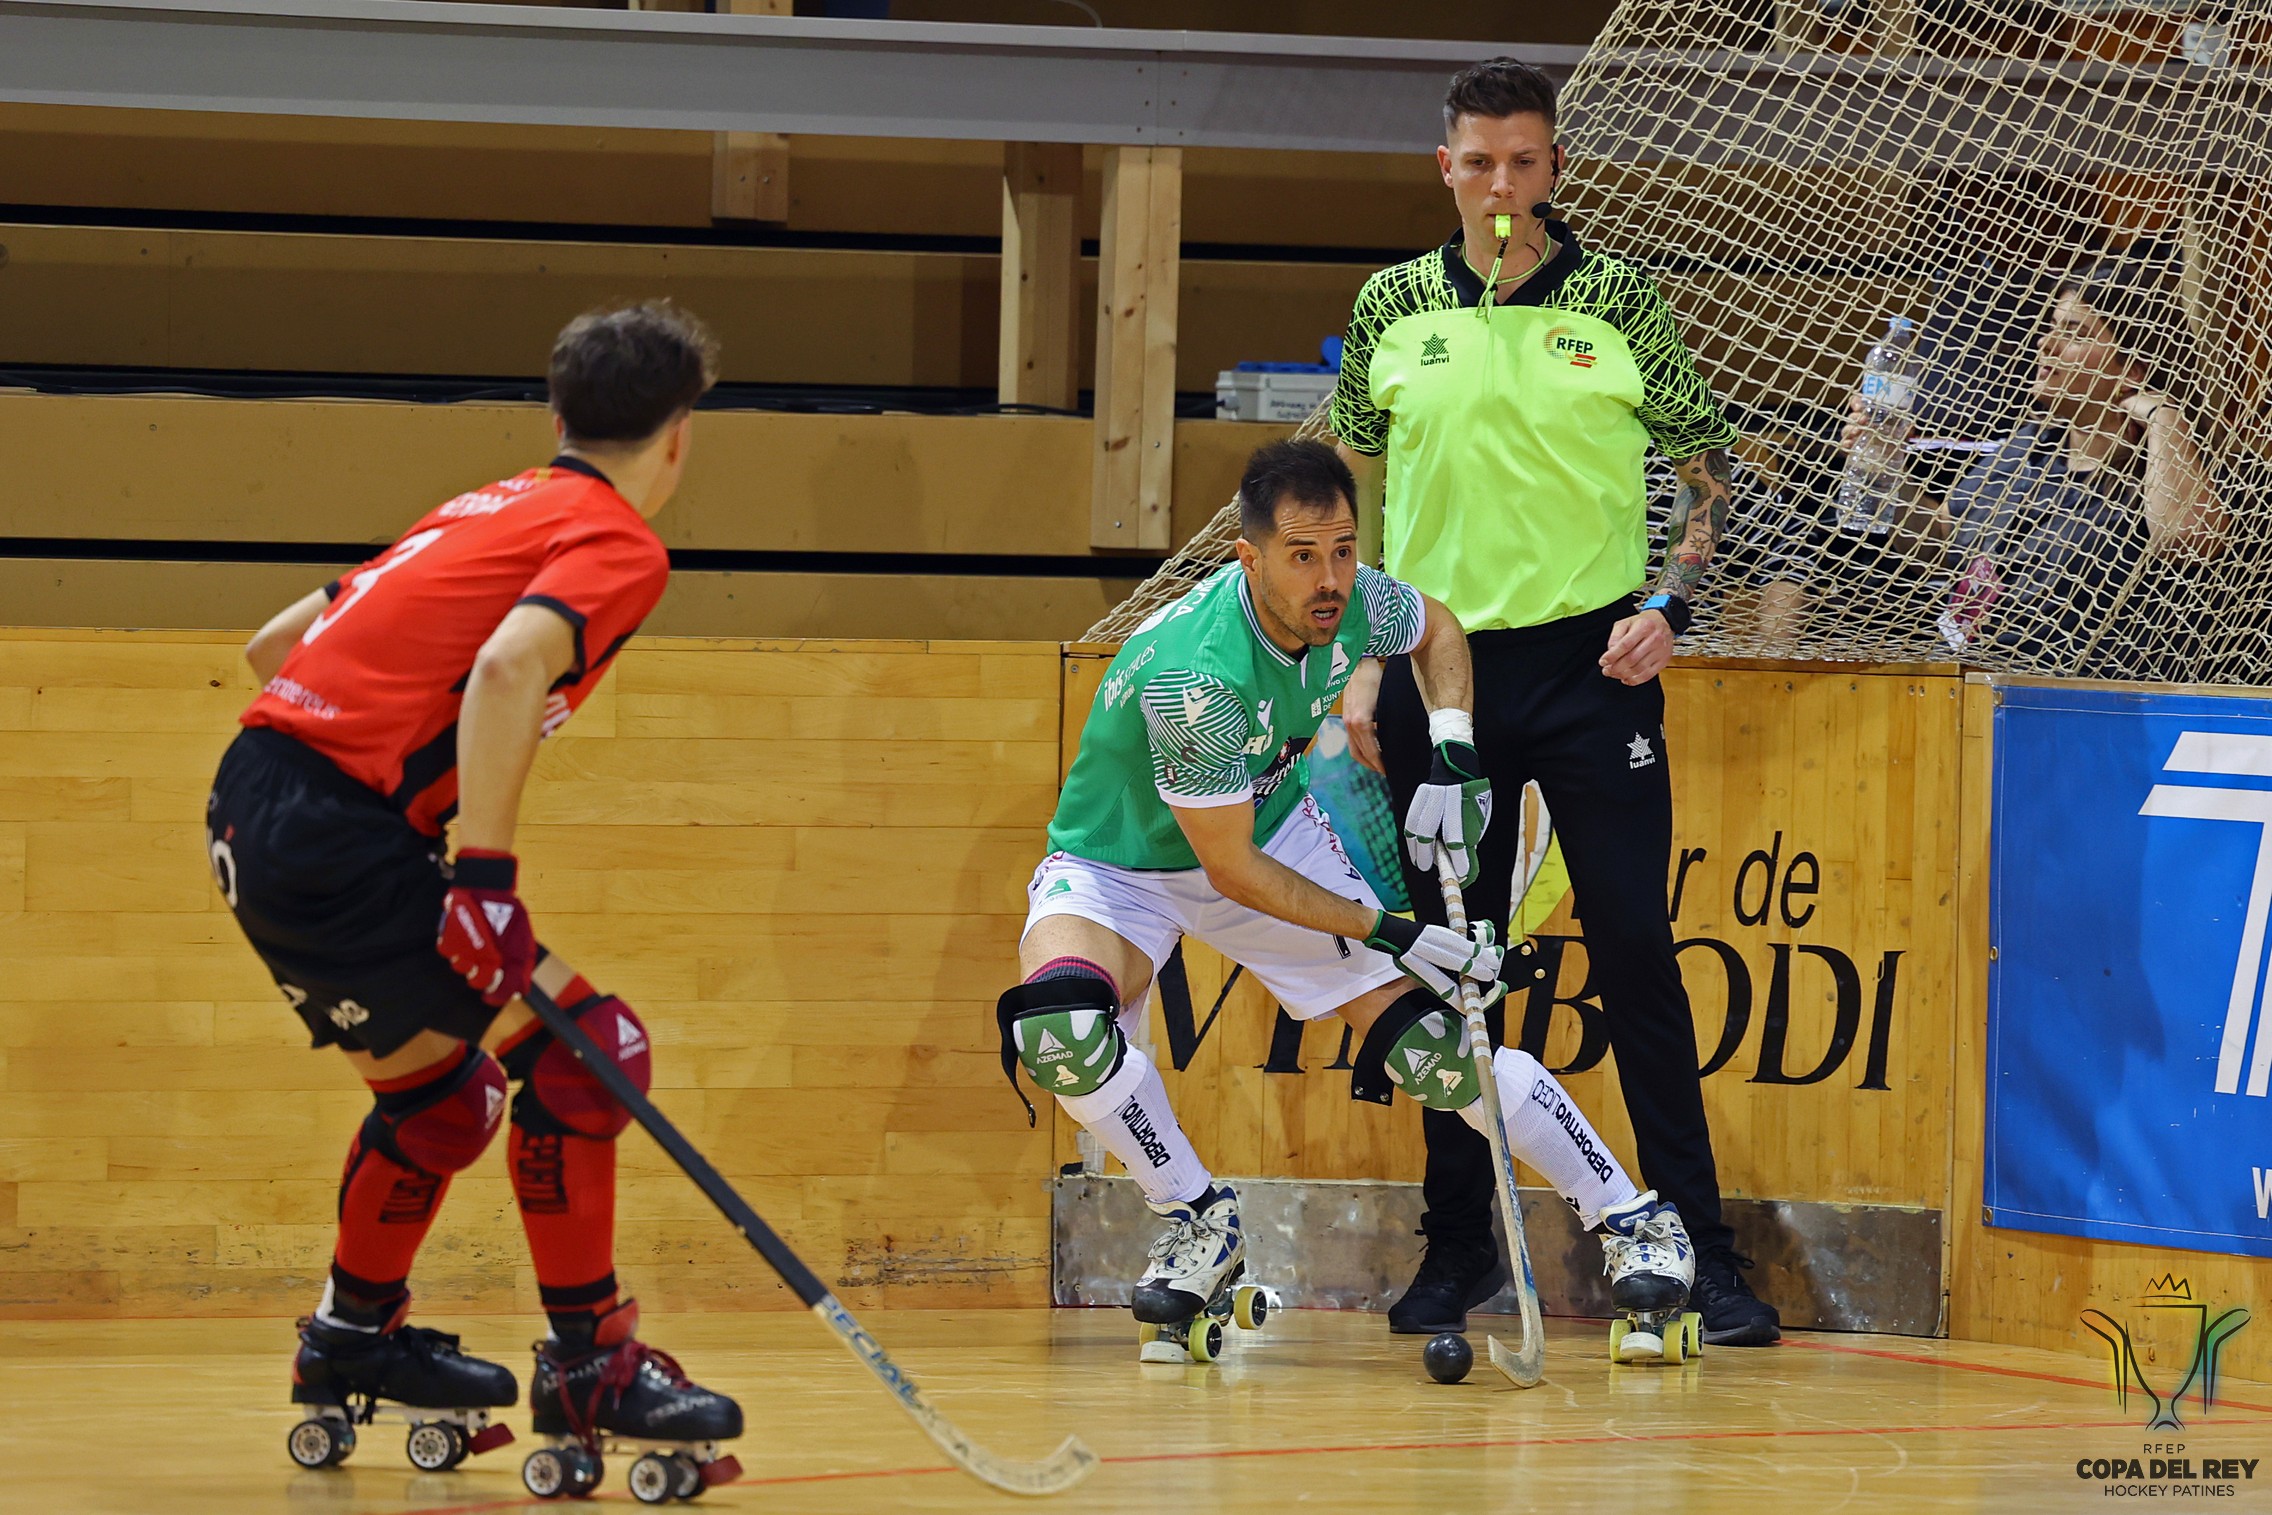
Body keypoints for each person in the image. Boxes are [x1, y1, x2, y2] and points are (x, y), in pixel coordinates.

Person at [999, 438, 1695, 1363]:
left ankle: (1637, 1221)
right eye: (1301, 555)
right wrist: (1395, 929)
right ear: (1248, 558)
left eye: (1341, 548)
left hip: (1268, 830)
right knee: (1058, 1030)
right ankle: (1198, 1216)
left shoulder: (1354, 599)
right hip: (1122, 864)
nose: (1328, 579)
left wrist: (1454, 744)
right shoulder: (1195, 676)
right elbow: (1230, 872)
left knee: (1437, 1053)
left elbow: (1437, 628)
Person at [205, 301, 744, 1476]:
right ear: (679, 436)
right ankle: (593, 1361)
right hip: (337, 832)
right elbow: (507, 666)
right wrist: (485, 881)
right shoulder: (615, 541)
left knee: (443, 1104)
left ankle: (351, 1339)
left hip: (257, 807)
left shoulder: (478, 509)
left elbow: (272, 650)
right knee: (590, 1053)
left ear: (557, 419)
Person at [1331, 57, 1782, 1348]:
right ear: (1446, 169)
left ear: (1555, 168)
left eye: (1523, 162)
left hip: (1593, 674)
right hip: (1437, 674)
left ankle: (1700, 1251)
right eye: (1479, 163)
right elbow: (1351, 493)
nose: (1501, 186)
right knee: (1453, 961)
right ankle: (1459, 1243)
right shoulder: (1390, 307)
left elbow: (1716, 475)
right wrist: (1361, 656)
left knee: (1636, 947)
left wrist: (1672, 606)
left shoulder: (1620, 300)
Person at [1852, 244, 2226, 676]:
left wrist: (2165, 418)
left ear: (2133, 368)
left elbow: (2187, 541)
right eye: (2051, 327)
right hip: (1963, 679)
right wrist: (1886, 465)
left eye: (2074, 333)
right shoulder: (2031, 445)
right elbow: (1938, 542)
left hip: (2070, 696)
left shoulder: (2165, 469)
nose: (2047, 345)